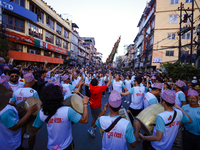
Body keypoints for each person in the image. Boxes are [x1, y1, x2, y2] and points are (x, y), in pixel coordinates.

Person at [32, 84, 89, 150]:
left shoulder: (42, 112)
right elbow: (85, 120)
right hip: (67, 146)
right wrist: (85, 104)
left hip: (52, 147)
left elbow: (35, 128)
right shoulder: (67, 110)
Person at [0, 83, 38, 150]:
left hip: (4, 141)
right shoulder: (6, 110)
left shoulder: (4, 105)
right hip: (11, 144)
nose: (12, 91)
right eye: (10, 90)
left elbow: (12, 103)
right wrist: (29, 112)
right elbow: (15, 127)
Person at [10, 73, 40, 150]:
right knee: (32, 133)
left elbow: (12, 103)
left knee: (20, 133)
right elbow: (38, 104)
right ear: (32, 81)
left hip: (19, 115)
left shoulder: (17, 91)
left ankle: (19, 147)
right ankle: (30, 149)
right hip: (31, 115)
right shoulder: (33, 92)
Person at [87, 71, 111, 137]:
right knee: (99, 118)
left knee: (94, 117)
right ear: (97, 83)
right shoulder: (98, 89)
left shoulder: (91, 86)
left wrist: (95, 77)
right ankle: (92, 128)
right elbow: (108, 84)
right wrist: (110, 76)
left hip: (91, 104)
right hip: (97, 106)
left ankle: (92, 128)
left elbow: (91, 81)